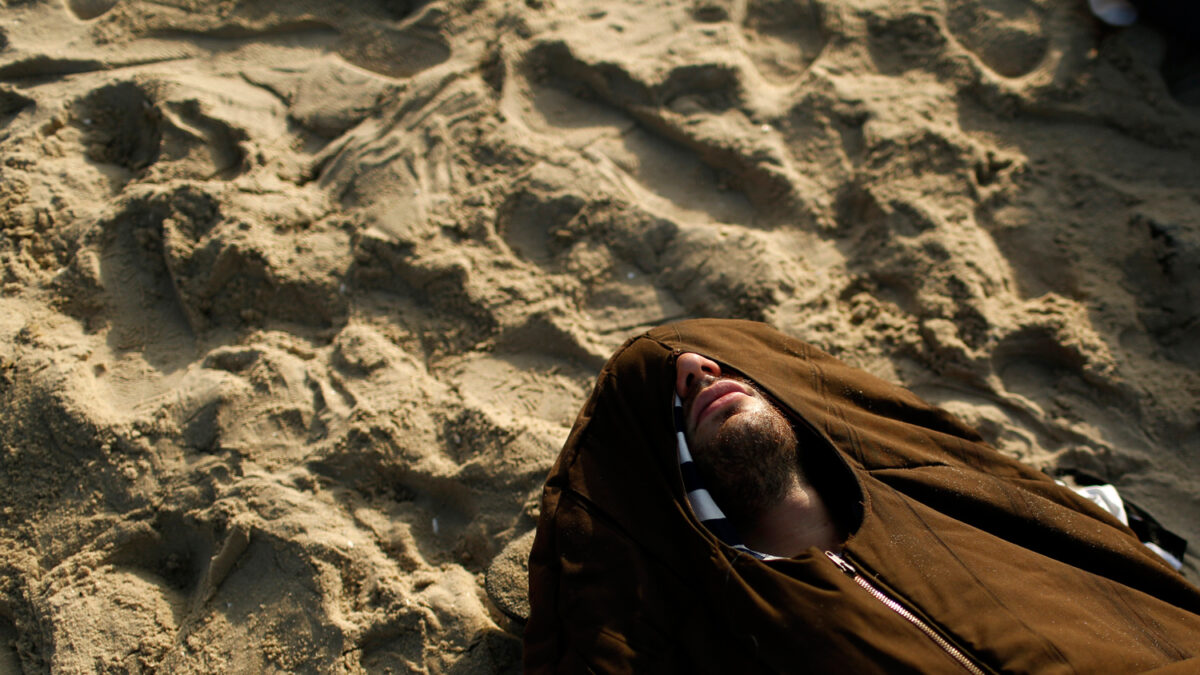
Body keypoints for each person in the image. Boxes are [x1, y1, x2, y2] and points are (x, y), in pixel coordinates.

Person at [523, 319, 1200, 673]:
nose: (699, 369)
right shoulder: (725, 633)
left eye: (720, 362)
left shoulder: (950, 502)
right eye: (668, 390)